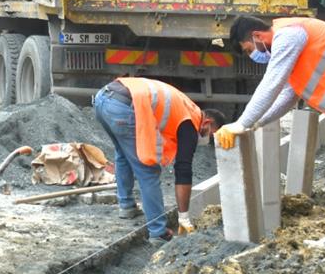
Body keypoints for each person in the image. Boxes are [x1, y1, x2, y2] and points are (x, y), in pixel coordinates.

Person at [218, 15, 325, 250]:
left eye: (249, 49)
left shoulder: (287, 36)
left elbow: (272, 84)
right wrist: (254, 124)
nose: (253, 55)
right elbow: (288, 94)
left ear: (257, 36)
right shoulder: (290, 35)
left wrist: (242, 122)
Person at [92, 77, 226, 242]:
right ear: (207, 122)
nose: (208, 140)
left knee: (123, 155)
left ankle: (126, 206)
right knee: (148, 170)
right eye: (211, 135)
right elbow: (183, 170)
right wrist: (183, 217)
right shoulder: (190, 123)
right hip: (122, 106)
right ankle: (158, 232)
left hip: (103, 99)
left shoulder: (186, 108)